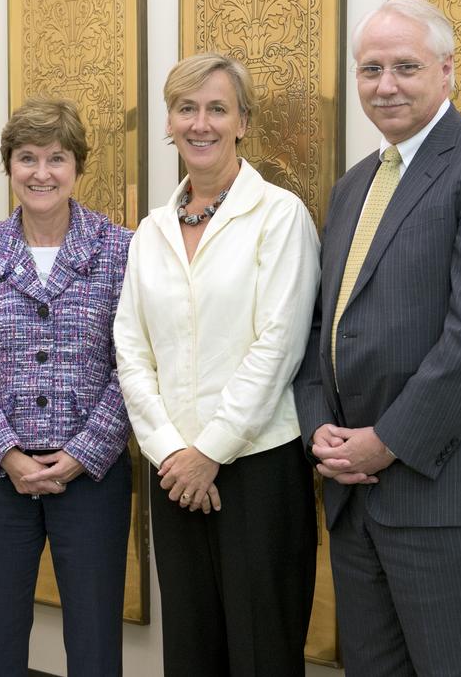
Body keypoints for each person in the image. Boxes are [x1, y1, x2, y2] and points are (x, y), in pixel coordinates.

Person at [294, 0, 461, 676]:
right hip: (357, 503)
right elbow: (321, 329)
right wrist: (321, 430)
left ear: (447, 71)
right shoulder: (353, 188)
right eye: (370, 69)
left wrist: (387, 442)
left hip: (455, 505)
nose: (385, 84)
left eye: (405, 66)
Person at [114, 53, 320, 676]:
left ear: (242, 123)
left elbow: (278, 345)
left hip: (258, 470)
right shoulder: (151, 230)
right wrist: (170, 451)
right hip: (174, 472)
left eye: (217, 109)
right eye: (186, 109)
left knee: (261, 653)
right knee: (192, 651)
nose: (200, 123)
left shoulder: (280, 215)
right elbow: (131, 347)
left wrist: (212, 451)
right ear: (169, 125)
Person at [0, 98, 133, 676]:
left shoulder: (121, 249)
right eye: (26, 158)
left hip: (93, 476)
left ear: (78, 167)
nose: (41, 173)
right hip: (1, 475)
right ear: (9, 167)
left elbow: (135, 365)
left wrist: (82, 454)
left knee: (96, 634)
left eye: (57, 158)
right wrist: (7, 454)